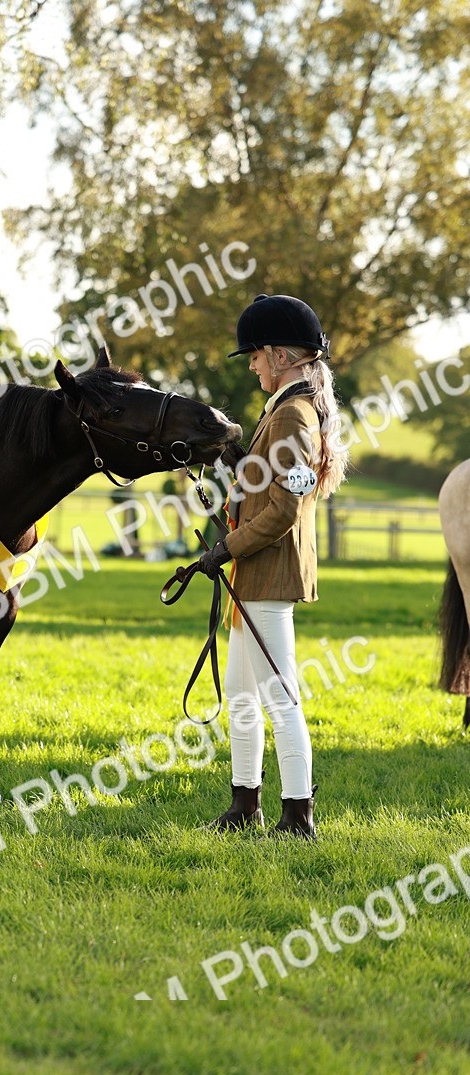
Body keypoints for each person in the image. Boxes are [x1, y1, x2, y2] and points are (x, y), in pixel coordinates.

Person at [198, 293, 347, 839]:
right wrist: (237, 462)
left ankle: (298, 815)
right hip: (256, 575)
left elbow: (285, 509)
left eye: (256, 356)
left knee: (280, 698)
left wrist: (225, 550)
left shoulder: (291, 414)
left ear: (281, 356)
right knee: (241, 694)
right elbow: (275, 485)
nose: (254, 365)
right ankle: (245, 806)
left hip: (265, 573)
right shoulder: (287, 411)